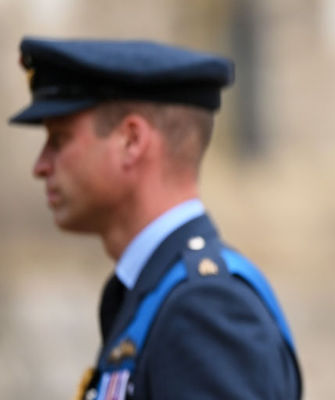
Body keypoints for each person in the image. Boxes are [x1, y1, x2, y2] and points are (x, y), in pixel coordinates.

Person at [9, 38, 301, 400]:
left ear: (131, 141)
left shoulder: (205, 309)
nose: (41, 166)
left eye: (59, 139)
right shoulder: (157, 291)